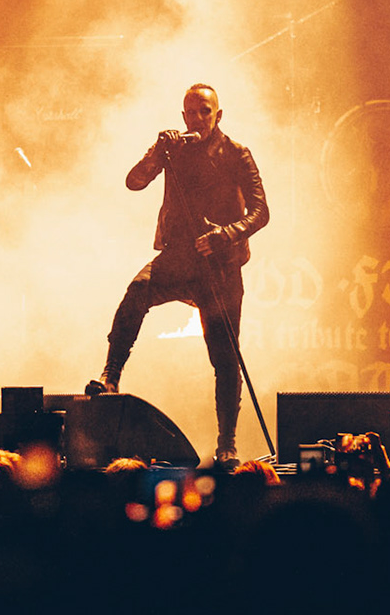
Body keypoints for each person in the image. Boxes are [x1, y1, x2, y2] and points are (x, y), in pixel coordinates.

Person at [87, 83, 269, 463]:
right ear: (182, 115)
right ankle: (111, 376)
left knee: (224, 355)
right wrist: (157, 151)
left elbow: (260, 211)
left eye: (206, 111)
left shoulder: (237, 154)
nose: (198, 118)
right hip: (179, 257)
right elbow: (134, 181)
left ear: (218, 115)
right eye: (191, 111)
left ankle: (227, 443)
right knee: (137, 292)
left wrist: (226, 234)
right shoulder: (174, 150)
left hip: (220, 265)